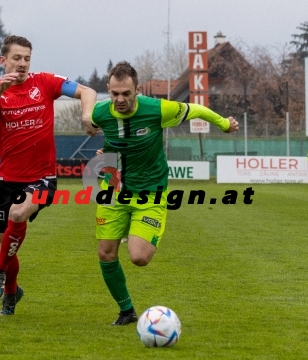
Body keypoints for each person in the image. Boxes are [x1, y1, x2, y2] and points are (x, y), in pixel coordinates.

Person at [87, 61, 239, 325]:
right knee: (105, 253)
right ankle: (126, 311)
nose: (120, 99)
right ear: (108, 91)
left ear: (138, 90)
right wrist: (98, 141)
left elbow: (197, 108)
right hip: (113, 191)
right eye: (115, 94)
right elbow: (96, 125)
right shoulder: (101, 113)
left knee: (139, 257)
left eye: (126, 93)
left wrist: (224, 123)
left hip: (151, 193)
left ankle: (140, 228)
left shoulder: (157, 109)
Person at [0, 35, 97, 315]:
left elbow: (87, 91)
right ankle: (11, 293)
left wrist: (86, 115)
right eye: (17, 58)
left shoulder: (44, 82)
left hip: (43, 178)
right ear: (3, 60)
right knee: (6, 243)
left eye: (27, 59)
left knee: (17, 216)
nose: (22, 64)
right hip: (8, 179)